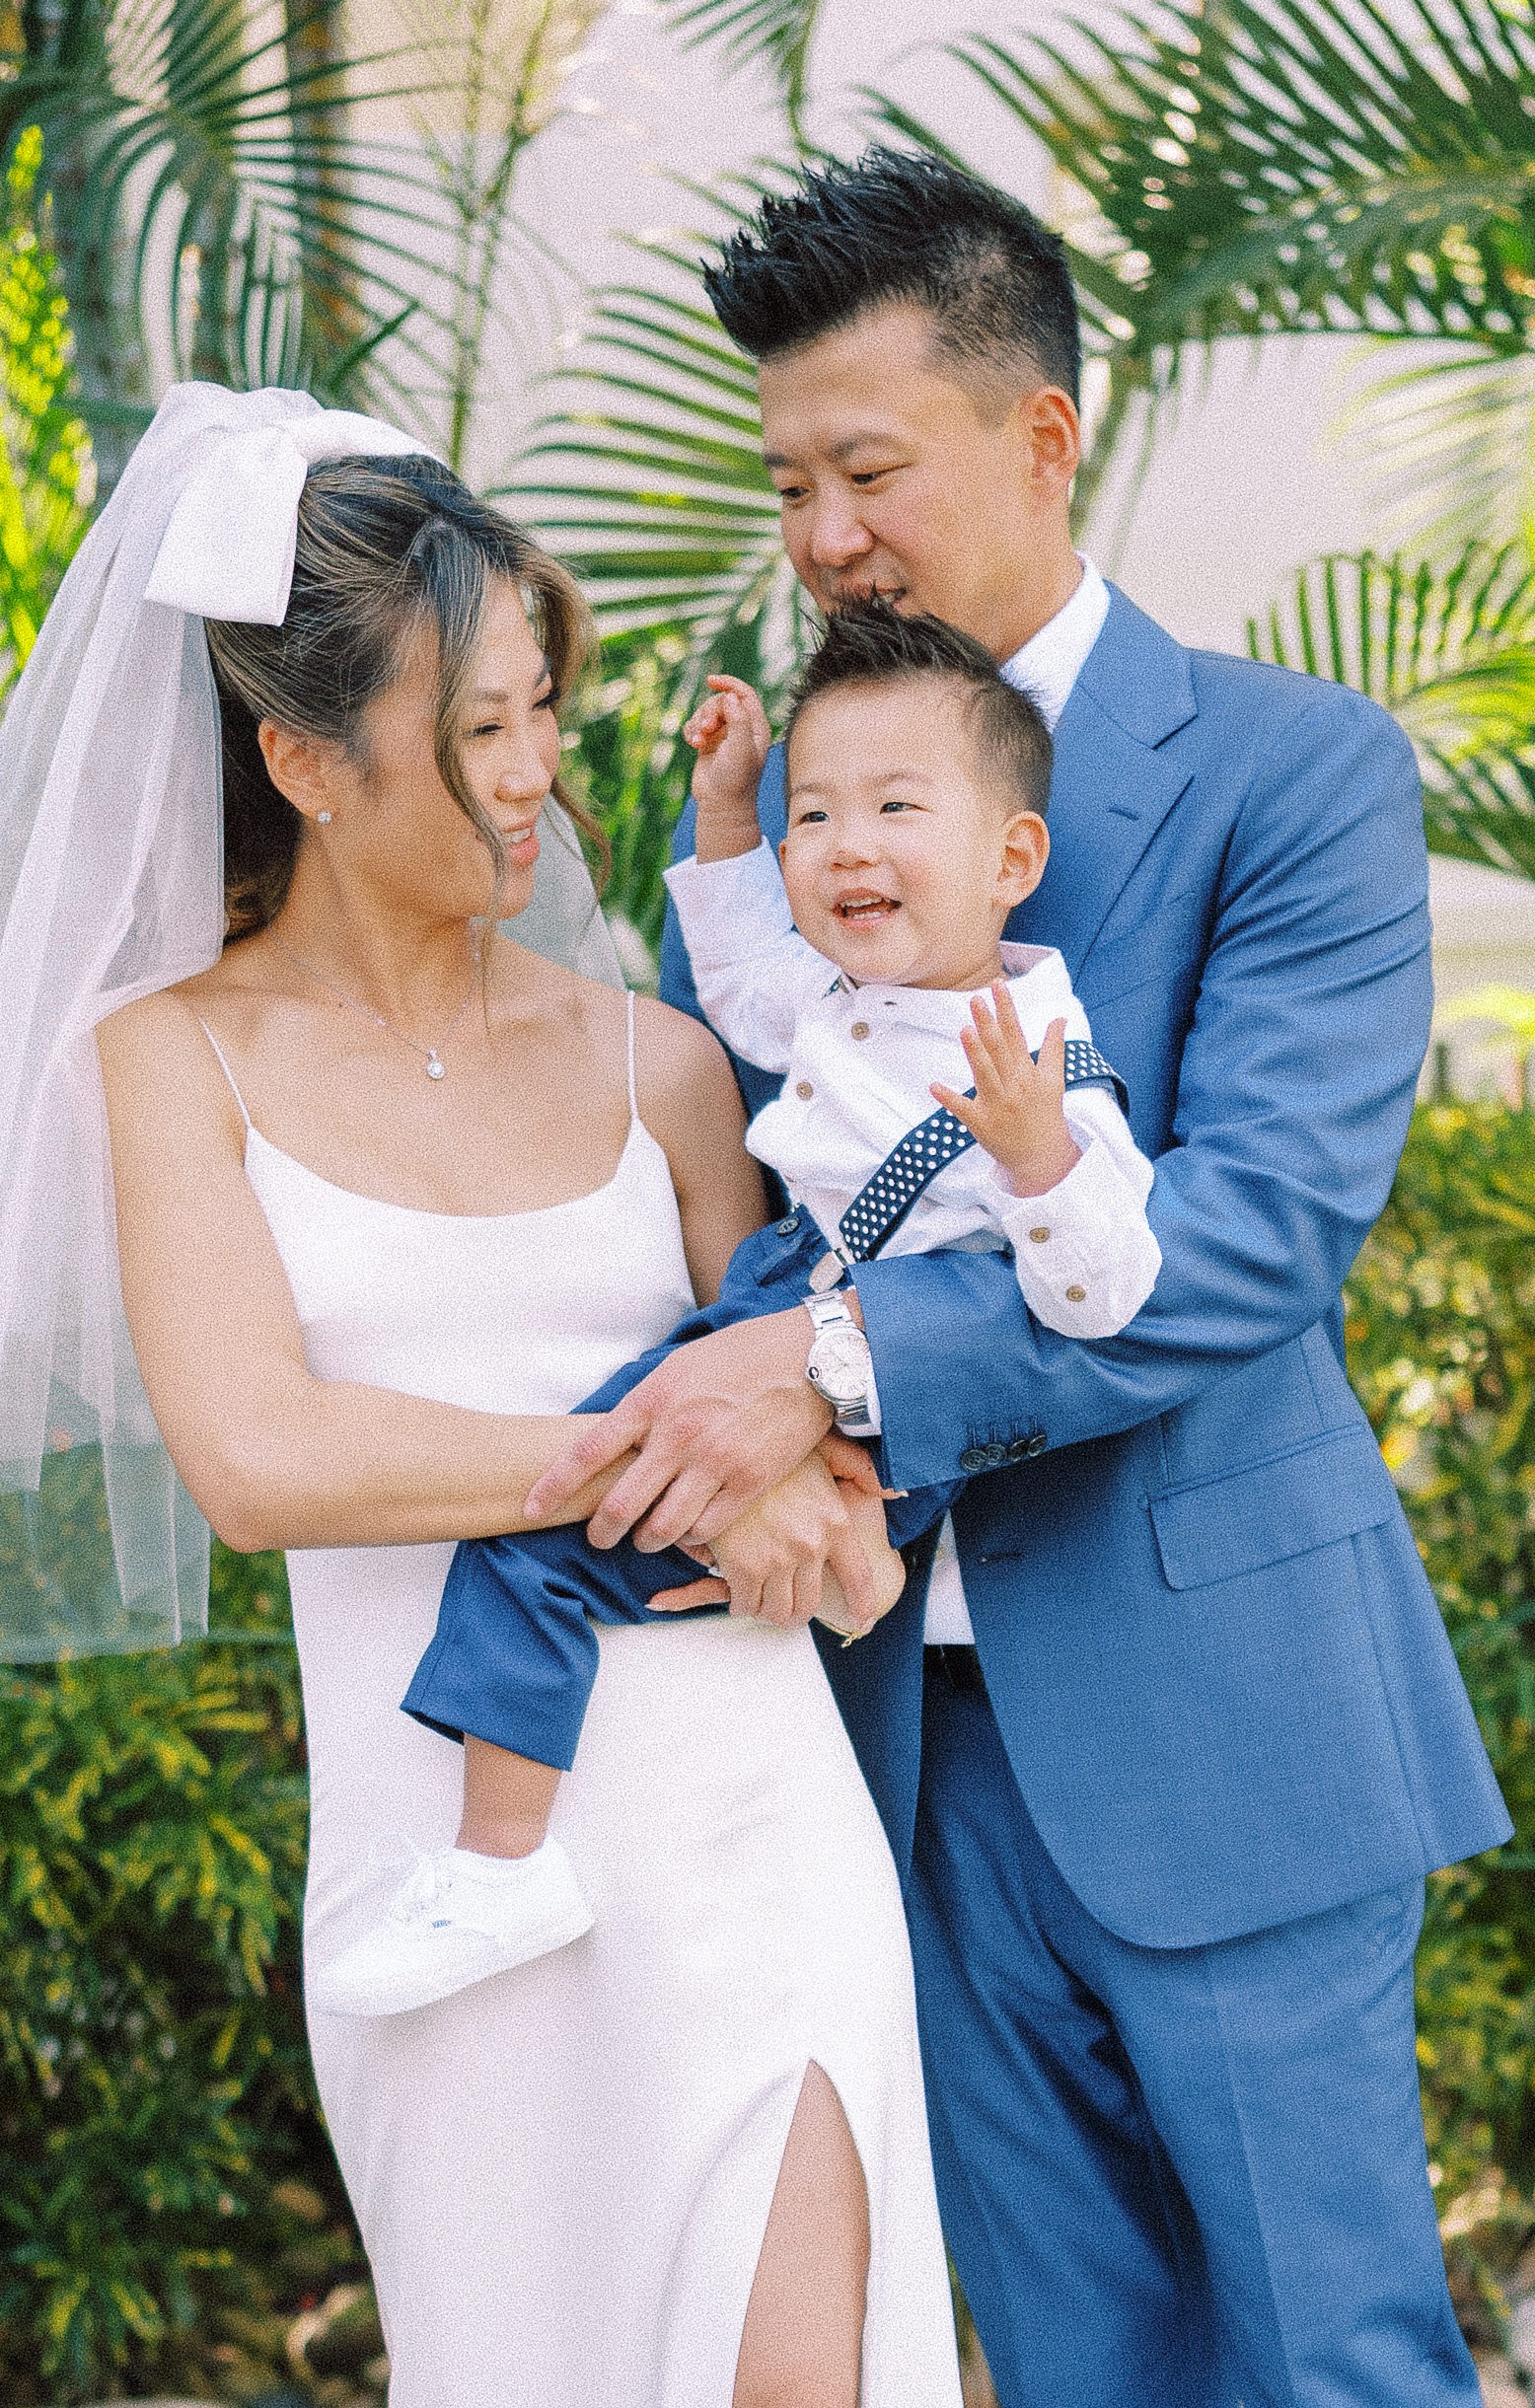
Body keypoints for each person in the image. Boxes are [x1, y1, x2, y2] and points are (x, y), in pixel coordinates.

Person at [0, 383, 1000, 2408]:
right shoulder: (164, 1065)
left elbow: (826, 1439)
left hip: (748, 1829)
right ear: (300, 757)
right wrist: (663, 1453)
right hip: (456, 1875)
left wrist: (807, 1474)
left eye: (546, 707)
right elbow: (266, 1456)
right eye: (478, 729)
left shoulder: (668, 1064)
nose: (541, 772)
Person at [532, 150, 1535, 2408]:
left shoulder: (1297, 776)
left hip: (1236, 1736)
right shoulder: (782, 805)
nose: (821, 534)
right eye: (788, 483)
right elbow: (737, 1166)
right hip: (905, 1762)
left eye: (866, 470)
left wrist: (823, 1373)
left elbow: (1244, 1243)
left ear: (1037, 435)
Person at [324, 601, 1160, 2018]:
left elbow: (1107, 1295)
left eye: (896, 807)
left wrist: (1040, 1164)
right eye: (815, 814)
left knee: (541, 1535)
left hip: (875, 1380)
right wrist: (728, 811)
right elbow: (746, 985)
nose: (845, 845)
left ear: (1013, 859)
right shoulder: (849, 1002)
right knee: (596, 1495)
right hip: (781, 1303)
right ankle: (855, 1567)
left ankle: (501, 1861)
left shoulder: (1049, 1072)